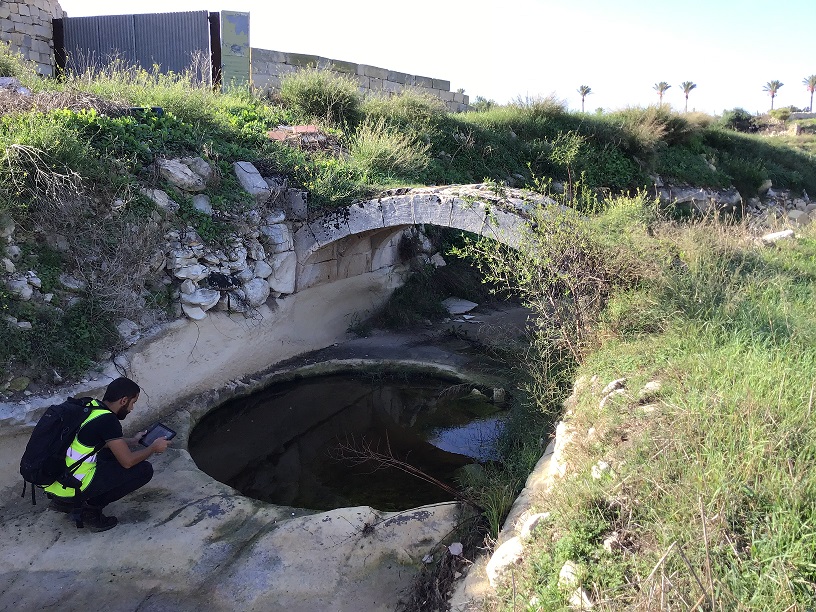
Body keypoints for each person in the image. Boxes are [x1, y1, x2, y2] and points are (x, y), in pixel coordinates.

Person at [44, 377, 171, 532]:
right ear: (124, 400)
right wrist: (152, 448)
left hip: (56, 478)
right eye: (133, 402)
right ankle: (90, 510)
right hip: (72, 485)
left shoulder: (91, 407)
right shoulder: (108, 421)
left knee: (110, 453)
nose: (132, 408)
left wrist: (132, 441)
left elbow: (100, 440)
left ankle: (62, 502)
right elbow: (128, 462)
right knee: (143, 470)